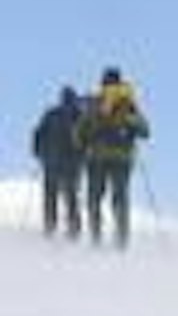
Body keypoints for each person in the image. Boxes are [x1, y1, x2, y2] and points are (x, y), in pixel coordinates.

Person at [76, 67, 150, 248]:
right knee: (121, 198)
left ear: (102, 82)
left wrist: (82, 144)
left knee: (94, 197)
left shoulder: (96, 102)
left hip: (96, 157)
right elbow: (145, 131)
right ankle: (122, 238)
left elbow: (80, 132)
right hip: (122, 158)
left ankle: (96, 237)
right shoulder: (128, 103)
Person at [31, 86, 85, 239]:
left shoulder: (51, 114)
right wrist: (82, 159)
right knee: (71, 195)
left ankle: (50, 226)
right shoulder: (78, 115)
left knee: (50, 195)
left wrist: (38, 153)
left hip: (51, 162)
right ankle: (74, 228)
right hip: (71, 164)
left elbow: (38, 133)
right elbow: (84, 140)